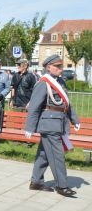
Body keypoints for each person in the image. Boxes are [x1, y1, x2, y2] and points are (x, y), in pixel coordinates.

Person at [25, 55, 81, 197]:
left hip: (59, 123)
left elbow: (67, 104)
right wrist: (30, 127)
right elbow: (34, 107)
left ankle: (36, 181)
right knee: (57, 156)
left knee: (44, 154)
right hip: (49, 125)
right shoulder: (44, 83)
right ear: (48, 67)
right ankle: (62, 186)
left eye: (61, 66)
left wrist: (74, 119)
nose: (60, 69)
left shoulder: (60, 81)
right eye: (57, 66)